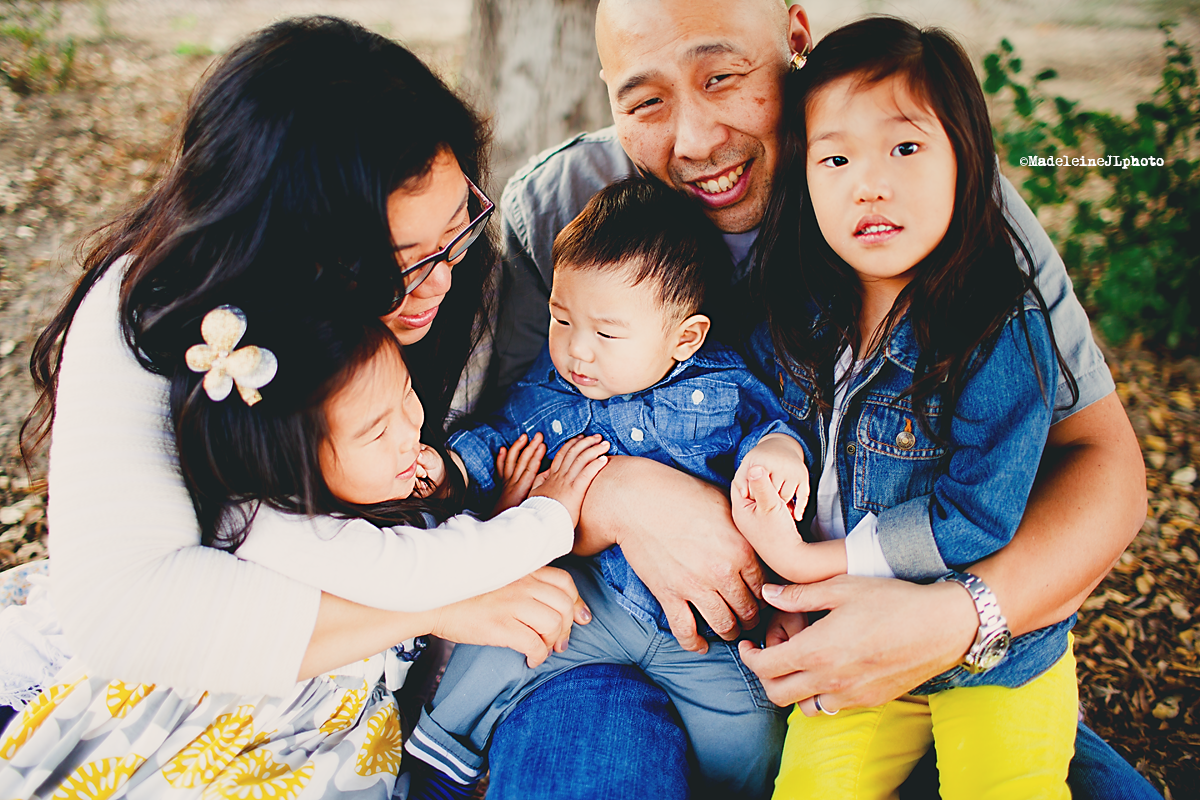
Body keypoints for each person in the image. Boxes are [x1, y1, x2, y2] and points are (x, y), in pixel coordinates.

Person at [480, 0, 1154, 797]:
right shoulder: (560, 209)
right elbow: (477, 466)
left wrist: (957, 620)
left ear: (794, 38)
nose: (694, 140)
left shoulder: (921, 197)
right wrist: (620, 495)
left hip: (907, 656)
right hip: (621, 649)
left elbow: (1103, 463)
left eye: (722, 77)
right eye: (645, 101)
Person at [2, 15, 585, 798]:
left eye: (456, 233)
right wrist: (439, 602)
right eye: (396, 267)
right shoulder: (164, 313)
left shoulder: (454, 275)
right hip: (205, 685)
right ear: (287, 252)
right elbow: (127, 615)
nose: (442, 283)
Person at [1, 304, 607, 797]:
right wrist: (545, 517)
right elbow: (418, 572)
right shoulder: (277, 521)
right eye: (377, 430)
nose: (412, 430)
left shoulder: (354, 484)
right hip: (249, 714)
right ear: (292, 463)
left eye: (407, 396)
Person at [733, 17, 1079, 797]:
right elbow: (764, 406)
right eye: (836, 157)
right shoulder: (801, 310)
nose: (870, 182)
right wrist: (775, 448)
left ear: (967, 158)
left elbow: (978, 515)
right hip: (854, 647)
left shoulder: (998, 329)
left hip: (994, 659)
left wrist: (811, 568)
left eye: (906, 147)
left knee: (1002, 787)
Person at [405, 178, 809, 799]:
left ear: (685, 338)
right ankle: (438, 772)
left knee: (754, 730)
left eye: (608, 333)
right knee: (496, 656)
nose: (577, 351)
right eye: (561, 319)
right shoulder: (547, 394)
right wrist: (450, 470)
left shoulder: (721, 386)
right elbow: (495, 446)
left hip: (699, 634)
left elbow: (770, 426)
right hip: (586, 607)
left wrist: (777, 452)